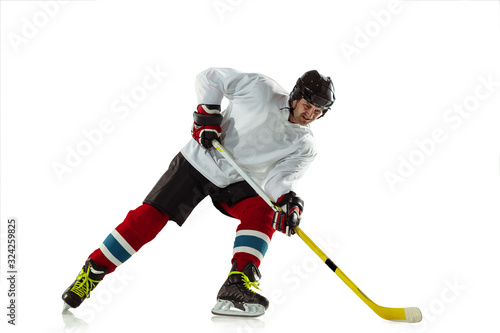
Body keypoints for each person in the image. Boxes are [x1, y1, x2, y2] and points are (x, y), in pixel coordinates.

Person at [62, 67, 335, 317]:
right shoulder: (260, 88)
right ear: (296, 96)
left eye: (317, 112)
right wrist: (207, 114)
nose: (310, 114)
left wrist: (288, 203)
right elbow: (210, 77)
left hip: (238, 181)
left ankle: (237, 283)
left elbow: (279, 181)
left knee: (265, 211)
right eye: (307, 106)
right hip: (199, 160)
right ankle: (93, 271)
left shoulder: (304, 146)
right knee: (150, 217)